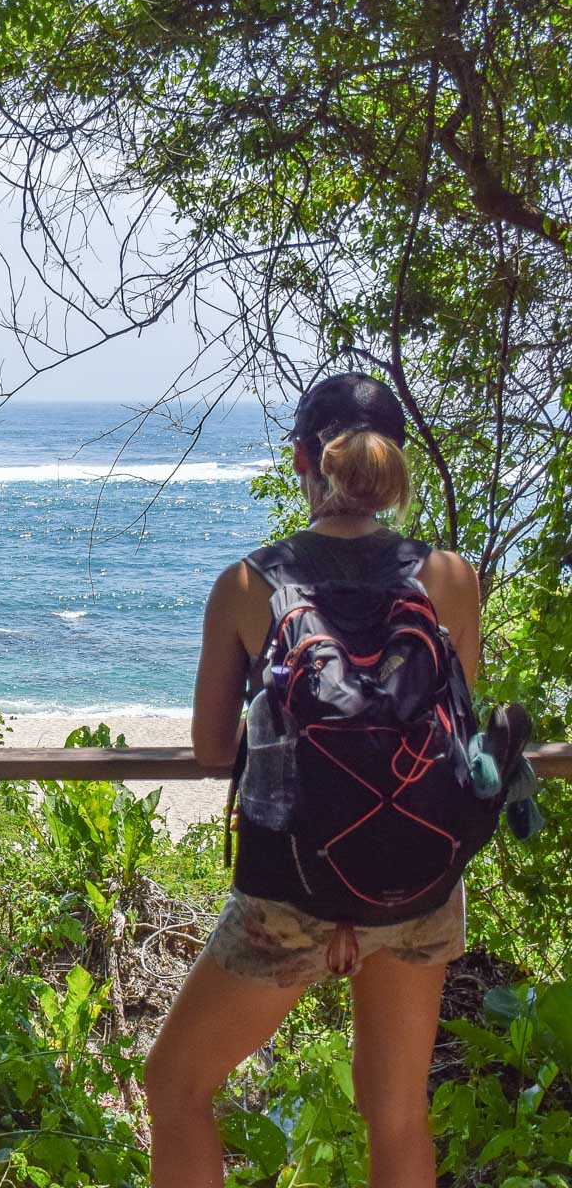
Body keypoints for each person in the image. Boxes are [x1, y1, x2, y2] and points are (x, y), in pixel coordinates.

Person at [144, 373, 481, 1188]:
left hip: (294, 892)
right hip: (420, 880)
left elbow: (210, 749)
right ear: (394, 461)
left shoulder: (249, 585)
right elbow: (454, 736)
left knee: (176, 1085)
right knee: (396, 1112)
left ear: (302, 458)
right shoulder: (449, 577)